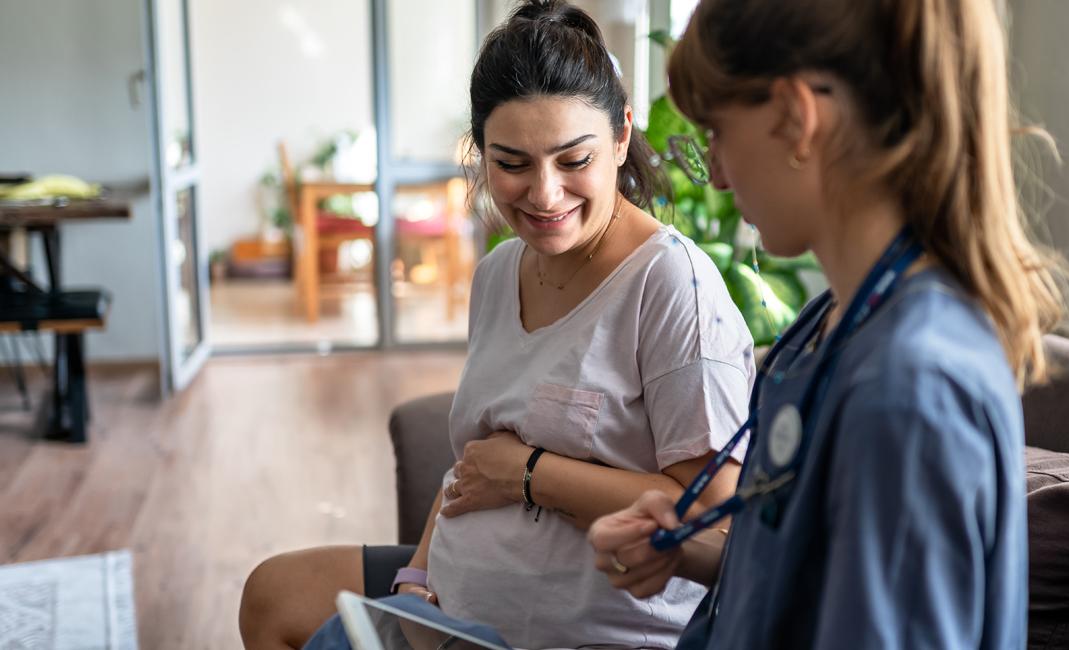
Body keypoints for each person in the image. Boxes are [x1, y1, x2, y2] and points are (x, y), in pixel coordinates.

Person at [238, 2, 753, 648]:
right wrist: (416, 583)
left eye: (573, 161)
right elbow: (471, 463)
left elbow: (715, 522)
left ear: (622, 136)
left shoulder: (672, 286)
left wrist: (531, 472)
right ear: (480, 152)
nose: (543, 194)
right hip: (448, 607)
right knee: (272, 594)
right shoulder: (499, 271)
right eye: (511, 164)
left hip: (586, 634)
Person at [587, 0, 1065, 647]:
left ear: (794, 117)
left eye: (718, 133)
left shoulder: (909, 388)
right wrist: (691, 551)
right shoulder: (833, 323)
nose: (719, 175)